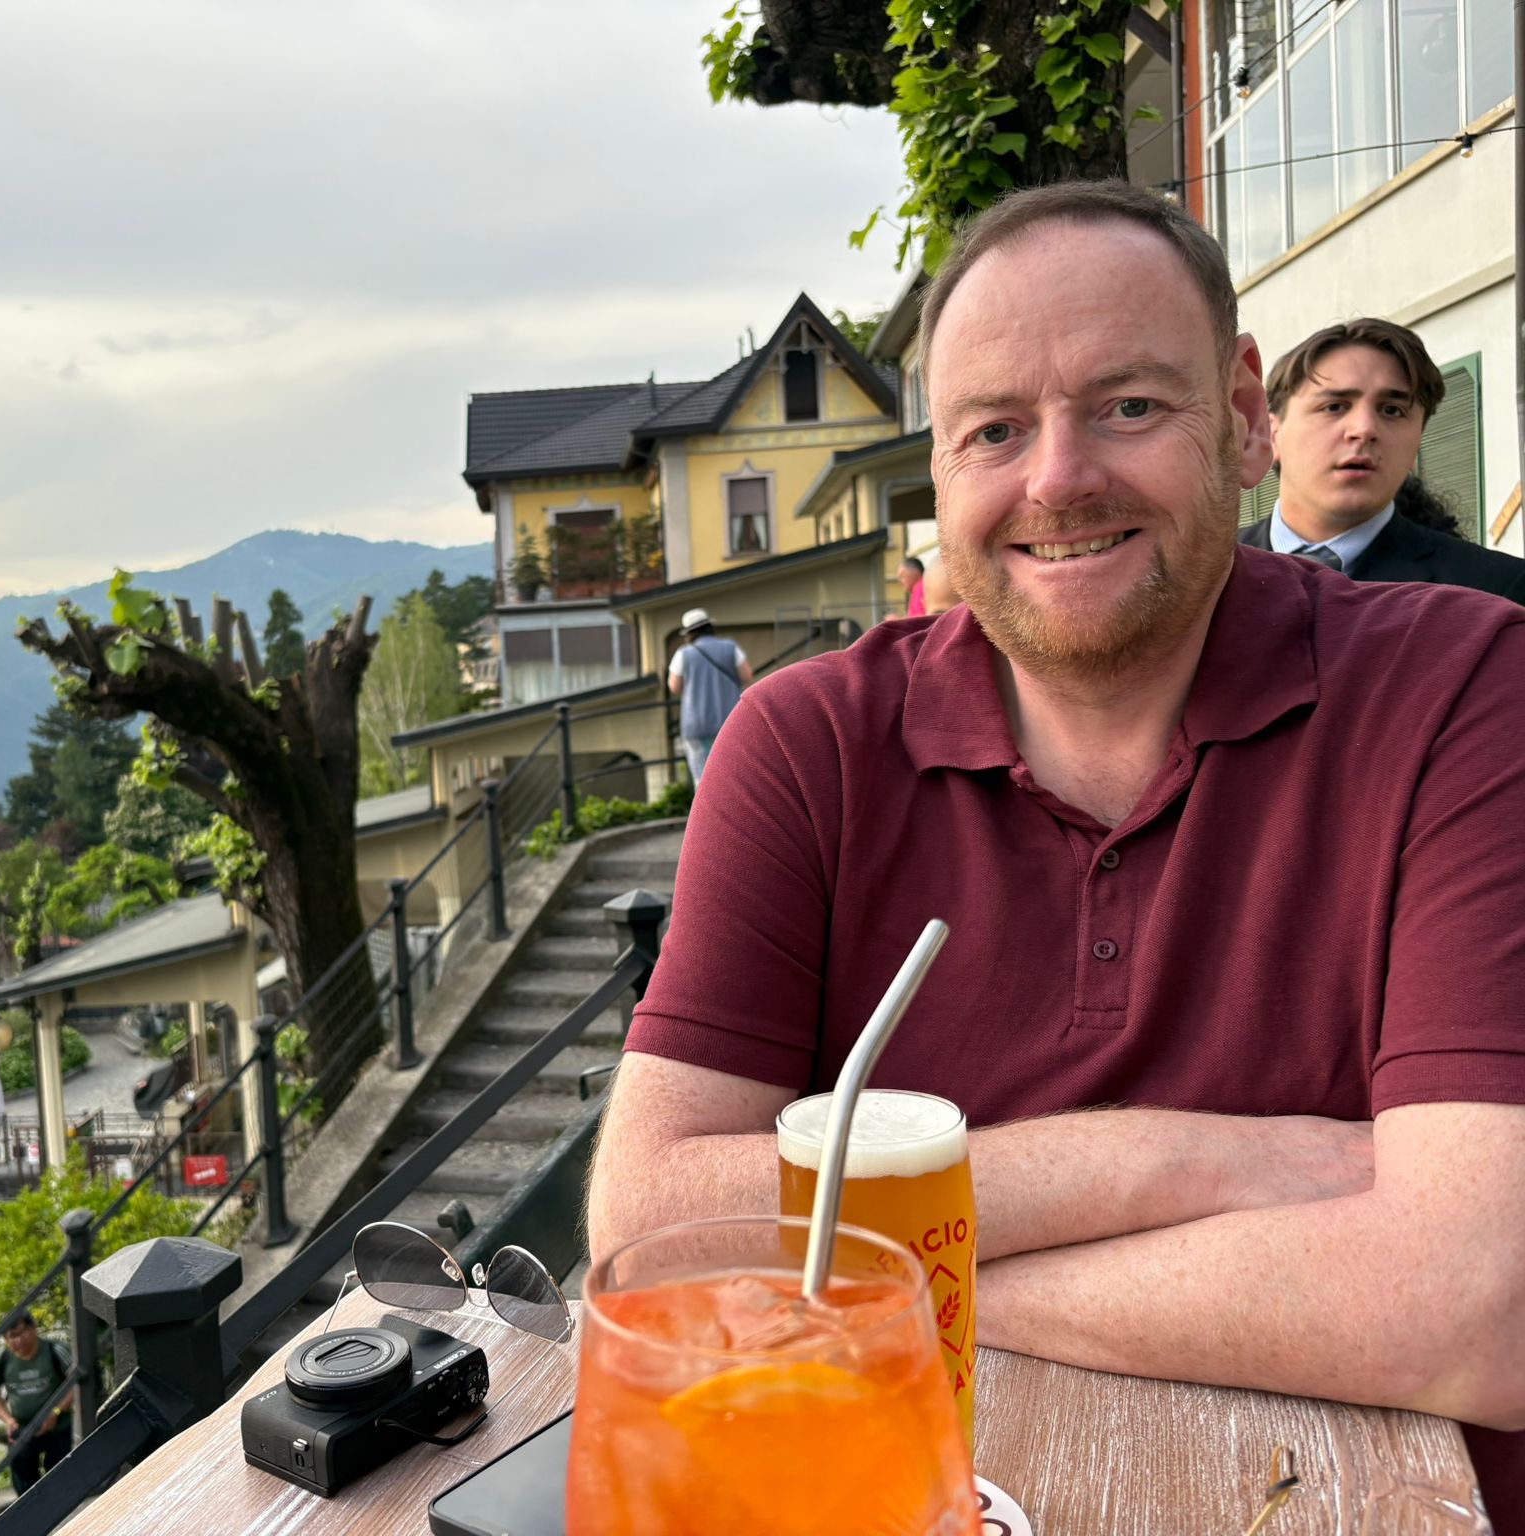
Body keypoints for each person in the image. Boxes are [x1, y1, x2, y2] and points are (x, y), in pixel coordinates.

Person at [587, 181, 1525, 1525]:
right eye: (994, 430)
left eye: (1129, 406)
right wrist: (1209, 1163)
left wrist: (897, 1292)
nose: (1059, 479)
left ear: (1246, 412)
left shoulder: (1467, 692)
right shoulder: (806, 745)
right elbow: (648, 1226)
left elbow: (1480, 1306)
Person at [1238, 317, 1525, 601]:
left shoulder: (1495, 590)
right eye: (1334, 407)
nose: (1364, 429)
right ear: (1270, 433)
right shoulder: (1205, 568)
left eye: (1392, 410)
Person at [0, 1311, 74, 1493]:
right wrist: (8, 1420)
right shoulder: (2, 1358)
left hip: (58, 1426)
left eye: (22, 1333)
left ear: (34, 1329)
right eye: (12, 1337)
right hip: (22, 1429)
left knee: (61, 1478)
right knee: (23, 1478)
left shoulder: (55, 1350)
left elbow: (77, 1384)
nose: (19, 1340)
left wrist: (55, 1413)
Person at [664, 607, 752, 783]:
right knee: (733, 772)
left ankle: (707, 810)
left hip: (696, 724)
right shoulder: (730, 648)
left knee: (702, 776)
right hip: (730, 719)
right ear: (709, 626)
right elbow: (747, 675)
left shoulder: (683, 654)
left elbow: (673, 686)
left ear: (689, 633)